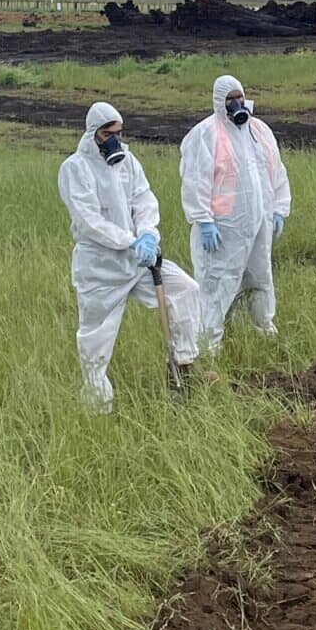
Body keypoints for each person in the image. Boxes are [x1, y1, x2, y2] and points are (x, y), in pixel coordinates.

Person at [57, 101, 200, 409]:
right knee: (96, 340)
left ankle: (183, 370)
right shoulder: (75, 168)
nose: (115, 140)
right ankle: (97, 406)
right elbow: (89, 221)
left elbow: (144, 200)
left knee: (186, 289)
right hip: (100, 268)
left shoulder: (128, 161)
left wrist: (149, 233)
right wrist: (129, 241)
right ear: (94, 133)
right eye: (108, 133)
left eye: (119, 133)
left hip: (137, 261)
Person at [180, 72, 291, 354]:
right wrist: (203, 221)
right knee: (218, 282)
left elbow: (276, 171)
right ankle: (210, 344)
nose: (236, 103)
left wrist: (279, 208)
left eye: (239, 96)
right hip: (222, 229)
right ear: (219, 102)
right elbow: (195, 181)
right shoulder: (205, 134)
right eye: (230, 99)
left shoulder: (259, 131)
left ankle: (263, 329)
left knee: (259, 276)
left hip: (259, 223)